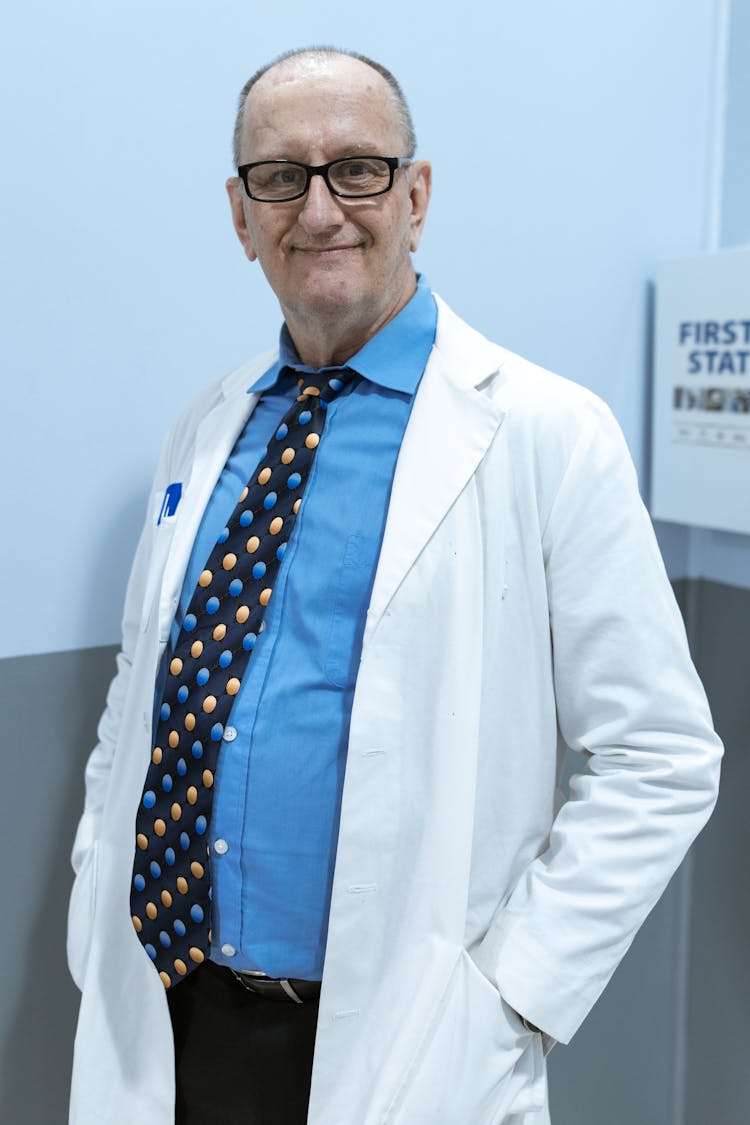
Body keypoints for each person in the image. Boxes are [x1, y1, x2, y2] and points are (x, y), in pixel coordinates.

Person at [67, 46, 722, 1125]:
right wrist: (101, 884)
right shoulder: (207, 428)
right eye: (281, 177)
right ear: (240, 216)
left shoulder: (548, 433)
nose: (320, 208)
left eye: (358, 169)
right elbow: (142, 687)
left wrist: (515, 993)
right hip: (171, 1012)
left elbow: (661, 753)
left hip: (404, 1040)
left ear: (416, 197)